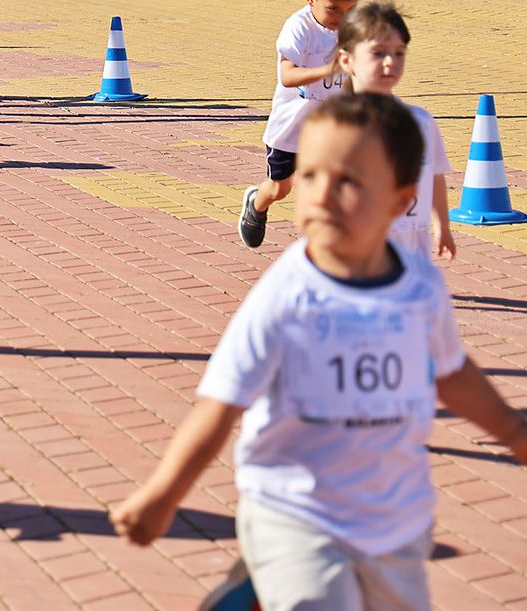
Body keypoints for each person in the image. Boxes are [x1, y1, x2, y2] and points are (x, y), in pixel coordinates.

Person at [111, 93, 527, 609]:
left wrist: (513, 431)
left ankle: (253, 594)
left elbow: (451, 370)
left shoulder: (419, 287)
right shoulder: (287, 293)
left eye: (349, 181)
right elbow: (222, 402)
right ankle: (271, 583)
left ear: (400, 202)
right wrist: (164, 495)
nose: (323, 194)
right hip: (294, 509)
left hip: (394, 517)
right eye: (310, 176)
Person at [240, 0, 363, 248]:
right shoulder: (299, 28)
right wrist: (329, 69)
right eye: (333, 9)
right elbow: (288, 76)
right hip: (290, 128)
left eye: (351, 10)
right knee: (279, 189)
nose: (341, 19)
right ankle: (256, 203)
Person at [335, 0, 455, 263]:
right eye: (378, 53)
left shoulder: (420, 122)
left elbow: (434, 177)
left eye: (399, 52)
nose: (390, 62)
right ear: (347, 60)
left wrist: (442, 227)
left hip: (415, 256)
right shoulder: (336, 127)